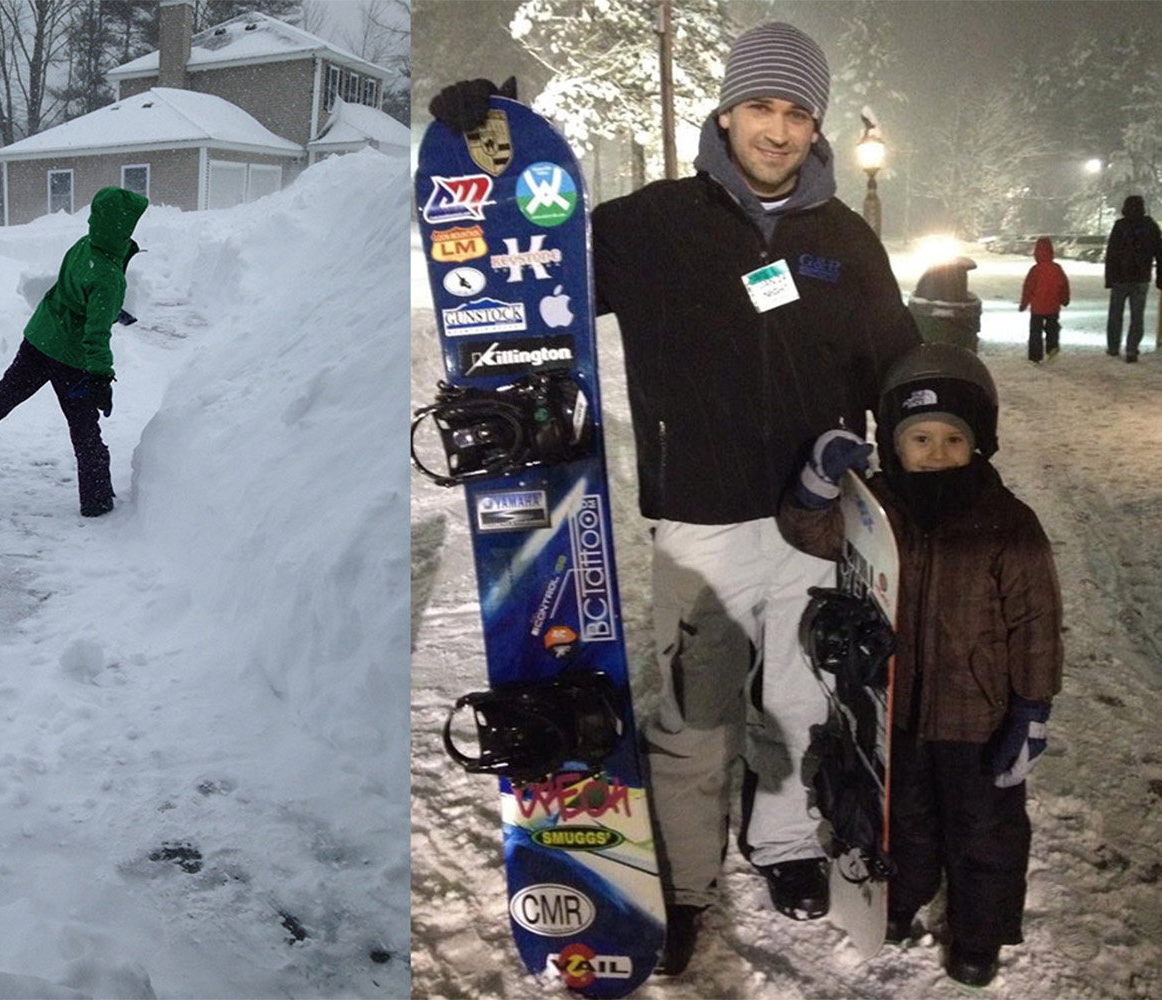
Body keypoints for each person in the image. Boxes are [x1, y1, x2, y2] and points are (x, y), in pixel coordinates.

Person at [430, 21, 922, 974]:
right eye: (763, 107)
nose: (778, 130)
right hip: (703, 519)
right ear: (729, 110)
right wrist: (479, 154)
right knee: (697, 720)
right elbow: (526, 267)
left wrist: (931, 425)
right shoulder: (652, 225)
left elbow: (893, 361)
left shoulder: (845, 241)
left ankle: (781, 841)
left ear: (814, 122)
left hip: (819, 519)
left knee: (800, 694)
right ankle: (687, 885)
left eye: (797, 112)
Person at [779, 342, 1063, 987]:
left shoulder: (1010, 525)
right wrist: (818, 484)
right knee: (902, 818)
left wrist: (1032, 709)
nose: (936, 453)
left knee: (984, 832)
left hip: (979, 719)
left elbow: (1037, 625)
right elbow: (811, 533)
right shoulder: (876, 511)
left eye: (953, 439)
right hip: (895, 710)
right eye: (920, 438)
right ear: (896, 443)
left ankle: (981, 932)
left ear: (978, 443)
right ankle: (898, 902)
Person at [0, 186, 149, 516]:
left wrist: (108, 307)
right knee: (86, 434)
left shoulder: (84, 246)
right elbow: (96, 335)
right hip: (70, 360)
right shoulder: (109, 277)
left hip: (38, 339)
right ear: (123, 226)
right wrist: (101, 377)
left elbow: (74, 289)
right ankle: (97, 502)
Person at [1103, 194, 1162, 362]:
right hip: (1141, 278)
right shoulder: (1150, 226)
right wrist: (1160, 276)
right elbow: (1160, 252)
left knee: (1115, 314)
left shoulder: (1120, 226)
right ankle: (1131, 349)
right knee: (1137, 316)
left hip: (1120, 278)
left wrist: (1109, 278)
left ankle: (1113, 347)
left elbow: (1112, 254)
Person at [1018, 236, 1069, 363]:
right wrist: (1064, 299)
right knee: (1052, 329)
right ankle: (1052, 348)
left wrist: (1024, 304)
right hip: (1053, 306)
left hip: (1037, 308)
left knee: (1035, 332)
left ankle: (1035, 355)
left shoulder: (1035, 270)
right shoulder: (1057, 269)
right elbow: (1064, 285)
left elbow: (1028, 288)